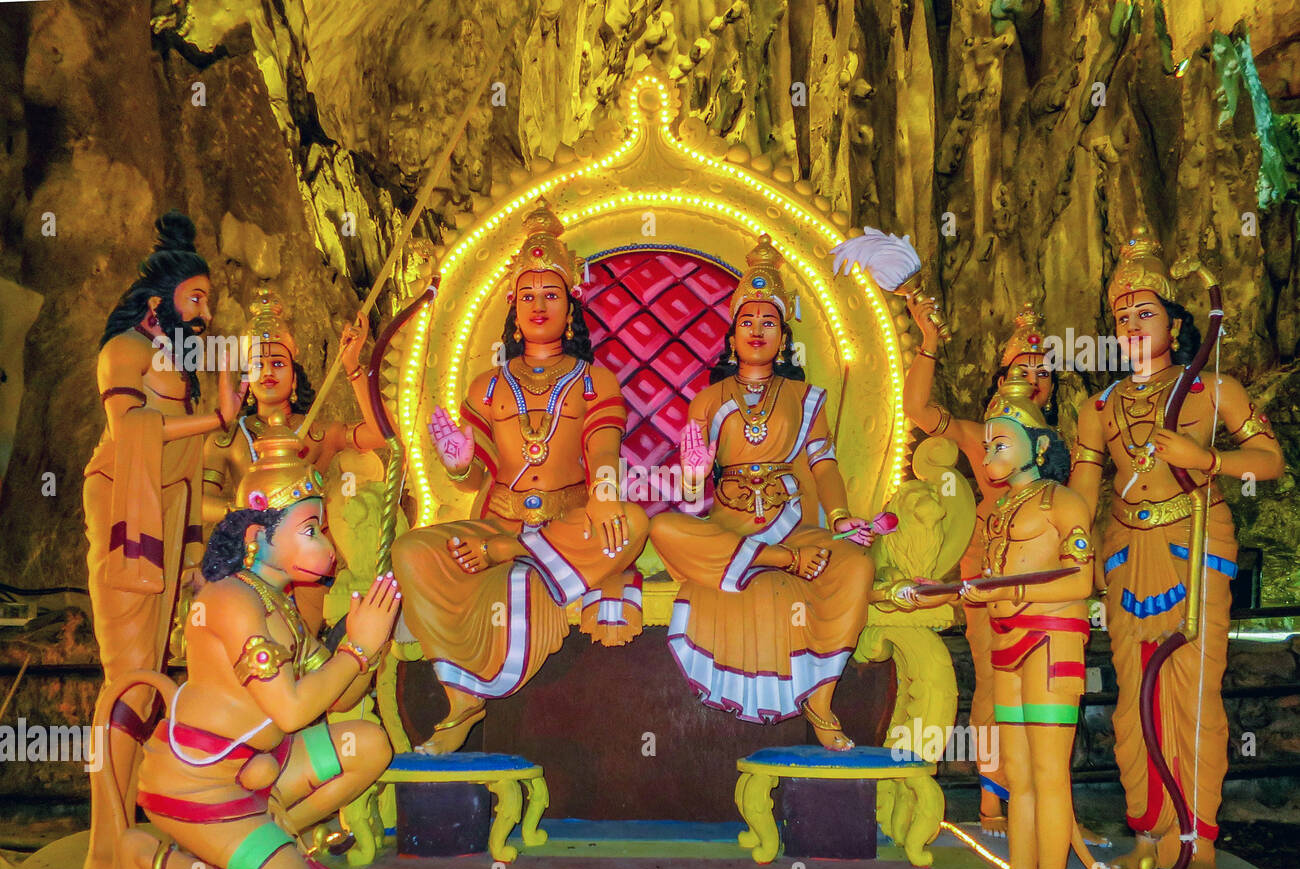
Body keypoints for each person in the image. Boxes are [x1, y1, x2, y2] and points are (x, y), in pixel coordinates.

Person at [114, 414, 398, 869]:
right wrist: (356, 649)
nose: (327, 546)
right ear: (255, 537)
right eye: (311, 530)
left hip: (260, 770)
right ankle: (150, 857)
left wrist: (370, 643)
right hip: (201, 786)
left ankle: (279, 829)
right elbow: (290, 710)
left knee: (370, 744)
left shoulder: (280, 603)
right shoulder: (230, 600)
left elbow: (334, 700)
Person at [391, 200, 649, 753]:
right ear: (512, 306)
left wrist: (604, 498)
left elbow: (605, 451)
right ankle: (462, 700)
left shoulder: (594, 381)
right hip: (498, 524)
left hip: (568, 521)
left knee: (631, 522)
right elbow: (470, 474)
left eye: (550, 294)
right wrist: (460, 460)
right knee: (411, 551)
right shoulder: (486, 385)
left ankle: (518, 558)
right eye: (527, 295)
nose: (538, 305)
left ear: (571, 306)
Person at [1070, 230, 1284, 869]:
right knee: (1135, 698)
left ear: (1177, 321)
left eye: (1146, 313)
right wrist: (1071, 548)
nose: (1133, 327)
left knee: (1192, 693)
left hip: (1195, 548)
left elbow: (1271, 462)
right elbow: (1082, 499)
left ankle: (1199, 837)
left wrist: (1206, 460)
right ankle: (1147, 829)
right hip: (1125, 552)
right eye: (1122, 317)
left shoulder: (1215, 389)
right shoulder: (1099, 407)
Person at [648, 234, 877, 751]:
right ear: (731, 337)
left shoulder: (804, 398)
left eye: (768, 322)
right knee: (664, 526)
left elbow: (824, 465)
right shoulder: (708, 399)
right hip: (730, 525)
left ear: (783, 337)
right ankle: (772, 560)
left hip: (792, 521)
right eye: (746, 321)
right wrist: (692, 472)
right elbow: (689, 495)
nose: (756, 330)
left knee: (857, 564)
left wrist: (840, 517)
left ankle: (820, 698)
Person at [83, 210, 244, 869]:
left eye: (208, 301)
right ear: (158, 304)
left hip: (171, 519)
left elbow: (203, 455)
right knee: (127, 681)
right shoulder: (124, 351)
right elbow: (131, 434)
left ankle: (133, 825)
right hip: (127, 515)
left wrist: (225, 426)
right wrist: (213, 418)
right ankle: (106, 844)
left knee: (150, 685)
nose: (203, 315)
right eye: (194, 299)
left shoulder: (182, 368)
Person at [901, 300, 1058, 835]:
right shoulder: (976, 436)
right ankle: (994, 801)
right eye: (1022, 371)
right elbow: (916, 408)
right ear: (1000, 380)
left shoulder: (1056, 448)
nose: (1034, 382)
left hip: (1045, 580)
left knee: (1048, 690)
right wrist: (928, 342)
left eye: (1043, 373)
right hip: (989, 570)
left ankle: (1044, 801)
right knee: (995, 682)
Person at [201, 288, 382, 634]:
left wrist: (353, 369)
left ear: (294, 376)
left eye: (278, 363)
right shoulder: (227, 438)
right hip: (246, 560)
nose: (268, 371)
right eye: (258, 364)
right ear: (247, 378)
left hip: (307, 568)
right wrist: (242, 511)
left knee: (303, 649)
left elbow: (382, 433)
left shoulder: (315, 433)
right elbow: (195, 504)